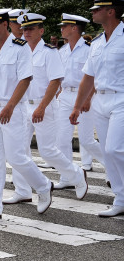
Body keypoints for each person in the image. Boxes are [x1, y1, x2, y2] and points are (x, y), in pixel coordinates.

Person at [0, 9, 53, 220]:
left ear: (5, 24)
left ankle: (44, 186)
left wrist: (10, 106)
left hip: (12, 110)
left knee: (16, 157)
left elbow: (25, 79)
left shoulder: (19, 48)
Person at [5, 13, 87, 205]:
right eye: (24, 29)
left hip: (45, 106)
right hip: (24, 106)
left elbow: (55, 81)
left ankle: (77, 175)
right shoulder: (20, 51)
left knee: (48, 151)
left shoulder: (50, 52)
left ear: (41, 31)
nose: (26, 33)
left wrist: (41, 107)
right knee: (18, 150)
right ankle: (22, 190)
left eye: (31, 29)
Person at [70, 0, 124, 217]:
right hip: (100, 101)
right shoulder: (98, 42)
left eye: (96, 9)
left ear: (110, 11)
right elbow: (88, 77)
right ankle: (120, 199)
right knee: (107, 151)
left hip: (122, 98)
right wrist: (77, 105)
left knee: (114, 148)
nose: (92, 13)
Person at [55, 13, 105, 192]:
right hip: (65, 96)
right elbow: (60, 76)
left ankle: (113, 168)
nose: (61, 29)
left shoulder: (89, 48)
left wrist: (88, 98)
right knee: (61, 139)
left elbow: (94, 76)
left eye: (64, 26)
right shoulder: (62, 50)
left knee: (87, 140)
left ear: (74, 28)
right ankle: (67, 176)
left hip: (83, 96)